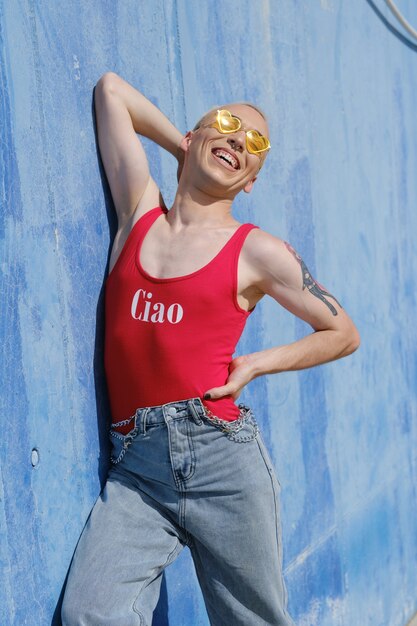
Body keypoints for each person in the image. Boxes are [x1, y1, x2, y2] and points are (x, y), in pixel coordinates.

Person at [61, 72, 360, 626]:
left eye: (254, 146)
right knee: (90, 612)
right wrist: (185, 142)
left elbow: (343, 332)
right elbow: (111, 92)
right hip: (137, 469)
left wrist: (257, 363)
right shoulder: (138, 212)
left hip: (221, 458)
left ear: (251, 182)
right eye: (225, 126)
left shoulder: (257, 251)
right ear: (194, 138)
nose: (239, 141)